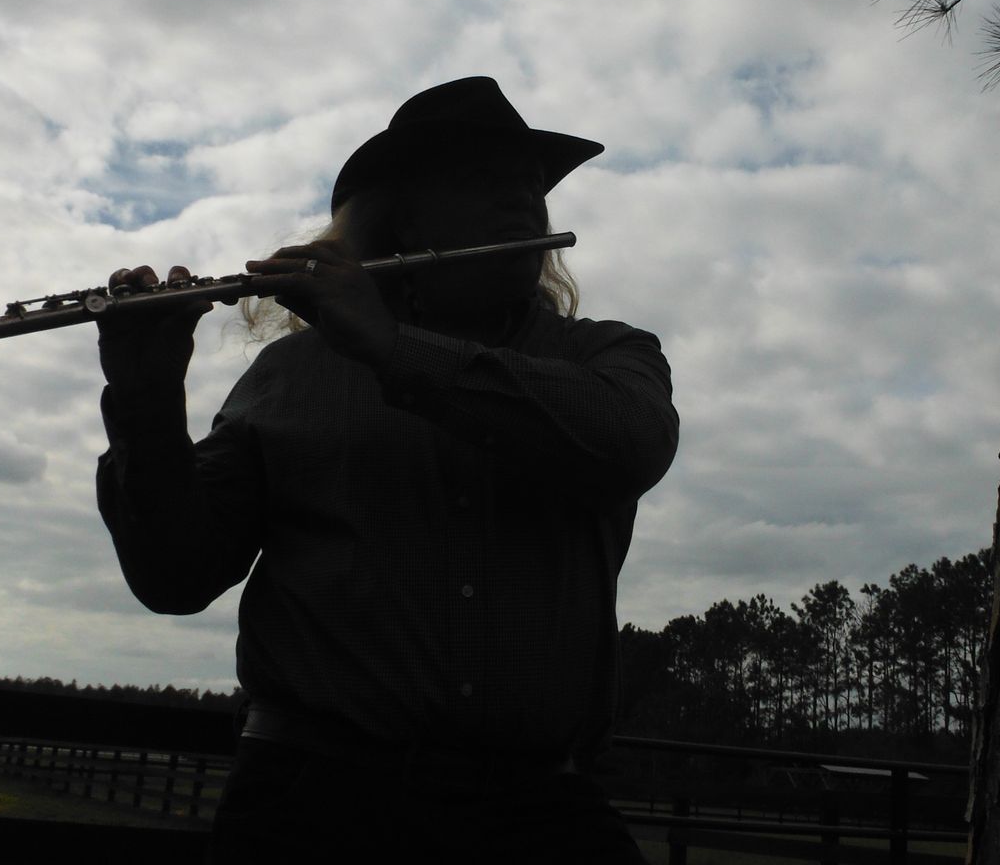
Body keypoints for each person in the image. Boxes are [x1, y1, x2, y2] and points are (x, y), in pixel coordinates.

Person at [94, 77, 678, 863]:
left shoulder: (606, 357)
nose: (522, 198)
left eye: (529, 182)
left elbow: (632, 443)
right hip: (312, 804)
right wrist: (148, 401)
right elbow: (174, 576)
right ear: (398, 217)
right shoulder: (292, 374)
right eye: (481, 178)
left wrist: (392, 347)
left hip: (538, 811)